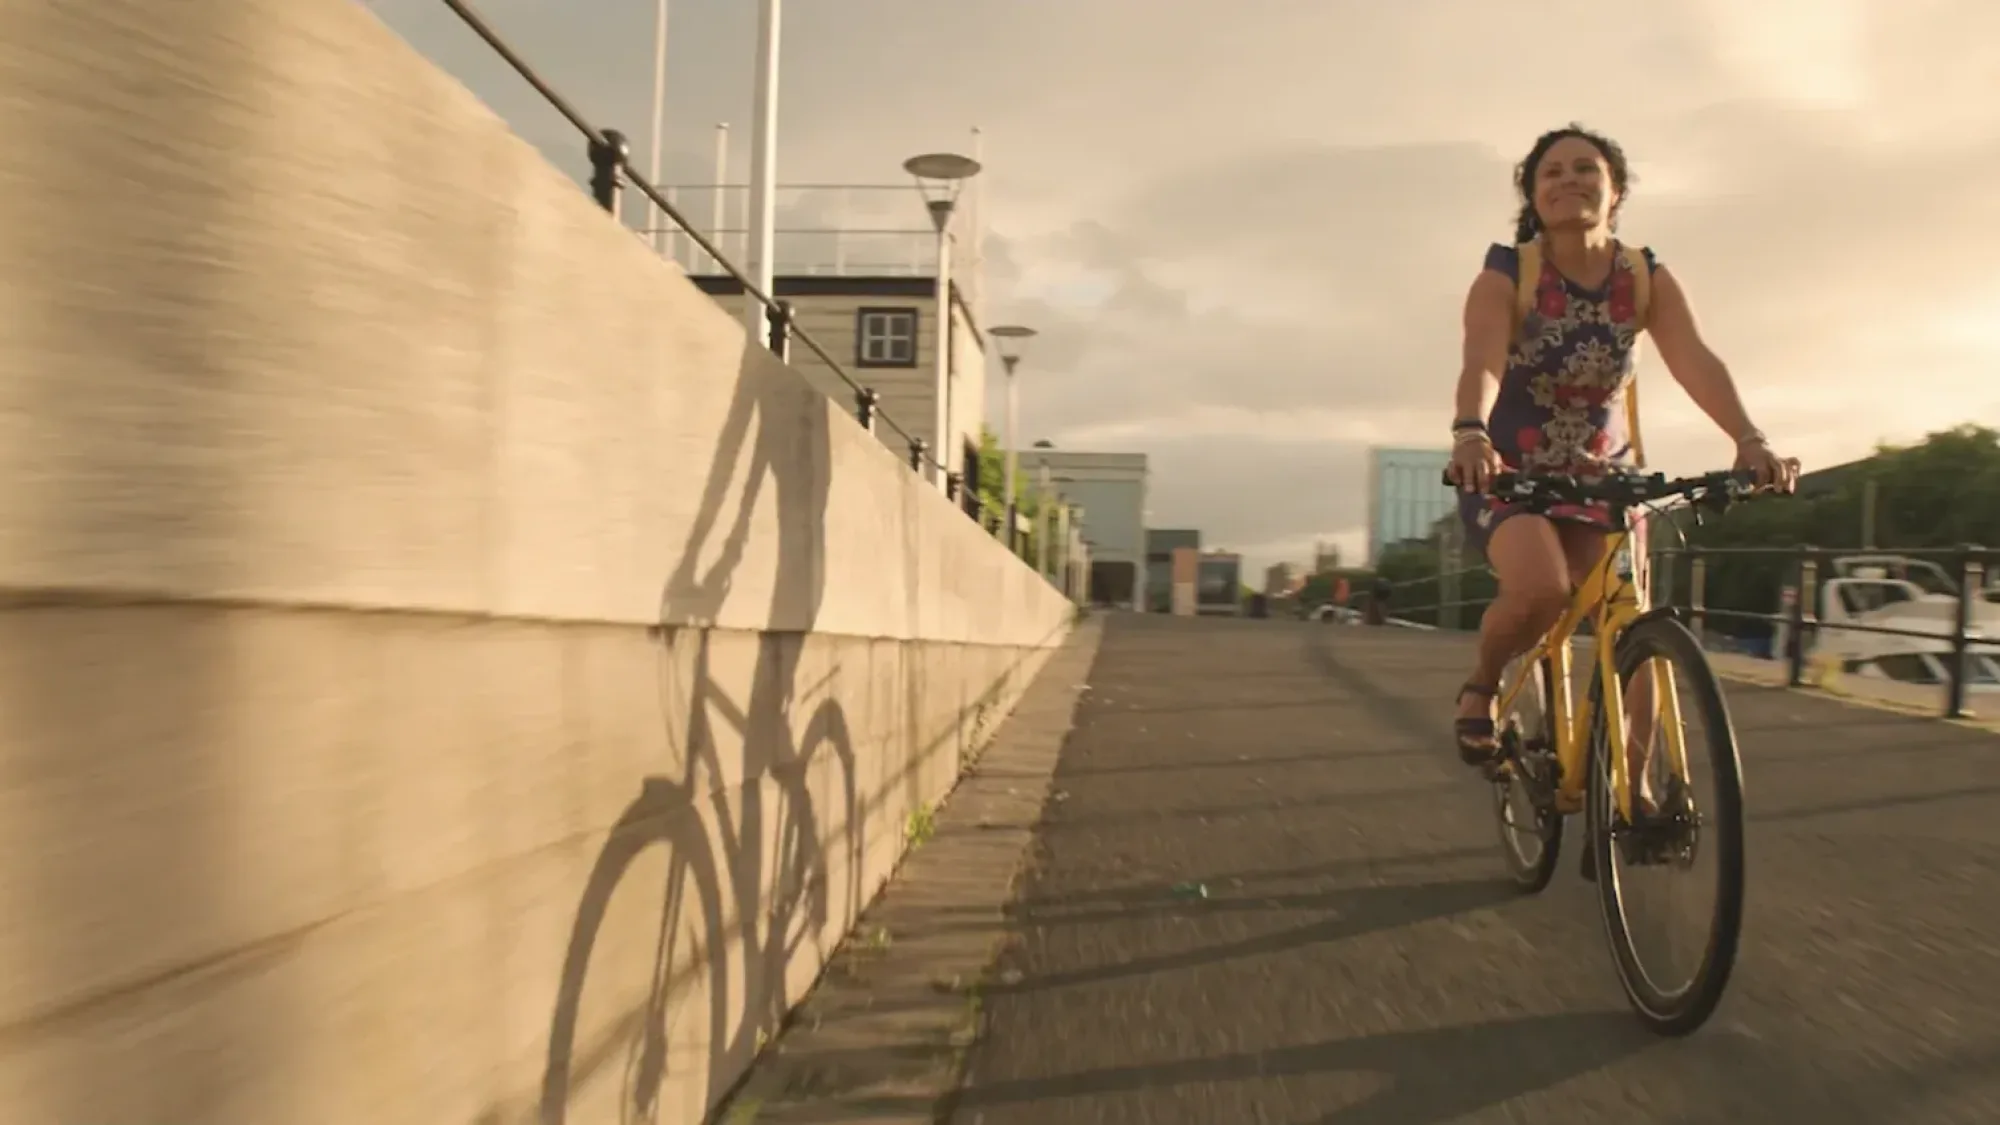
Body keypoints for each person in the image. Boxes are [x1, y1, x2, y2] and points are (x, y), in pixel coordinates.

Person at [1443, 124, 1799, 800]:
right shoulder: (1507, 271)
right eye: (1551, 172)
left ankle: (1629, 795)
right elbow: (1482, 358)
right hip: (1509, 470)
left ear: (1616, 191)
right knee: (1542, 589)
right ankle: (1482, 684)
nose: (1568, 180)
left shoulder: (1641, 276)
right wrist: (1470, 432)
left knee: (1632, 620)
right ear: (1533, 192)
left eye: (1586, 169)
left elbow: (1694, 358)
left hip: (1604, 477)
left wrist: (1749, 440)